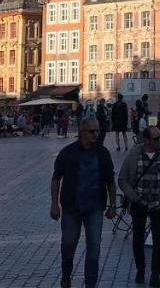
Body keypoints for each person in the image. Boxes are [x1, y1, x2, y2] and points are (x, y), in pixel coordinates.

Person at [51, 118, 117, 288]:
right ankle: (66, 275)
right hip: (72, 207)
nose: (96, 134)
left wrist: (112, 205)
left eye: (97, 131)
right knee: (68, 245)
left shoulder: (103, 153)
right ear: (82, 132)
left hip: (95, 207)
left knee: (94, 248)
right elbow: (56, 178)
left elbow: (110, 181)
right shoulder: (68, 152)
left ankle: (90, 284)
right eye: (92, 131)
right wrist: (54, 204)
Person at [118, 126, 160, 287]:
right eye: (156, 139)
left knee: (159, 241)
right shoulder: (134, 154)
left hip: (158, 204)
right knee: (138, 239)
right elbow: (122, 179)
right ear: (146, 140)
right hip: (138, 204)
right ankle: (140, 269)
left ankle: (155, 275)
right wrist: (133, 197)